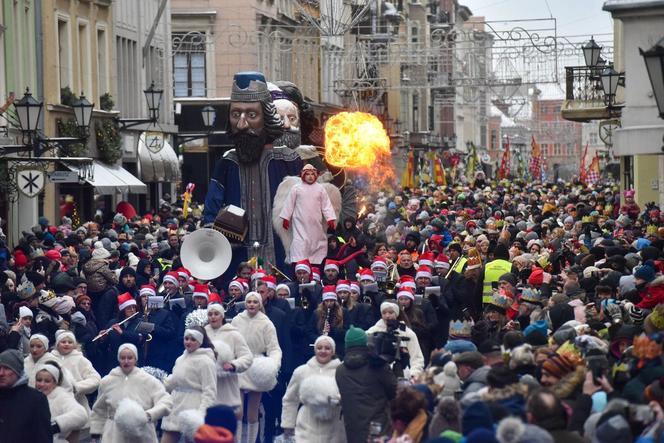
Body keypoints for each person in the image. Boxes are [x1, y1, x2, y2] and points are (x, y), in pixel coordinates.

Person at [202, 71, 303, 277]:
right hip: (236, 255)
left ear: (266, 117)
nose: (241, 124)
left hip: (282, 252)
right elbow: (211, 208)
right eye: (235, 114)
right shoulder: (228, 161)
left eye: (251, 115)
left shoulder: (289, 159)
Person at [90, 343, 173, 443]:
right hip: (114, 434)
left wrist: (149, 415)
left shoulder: (148, 380)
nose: (126, 361)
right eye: (122, 358)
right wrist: (96, 433)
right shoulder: (107, 381)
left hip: (142, 433)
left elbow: (166, 401)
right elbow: (99, 409)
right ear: (118, 359)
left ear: (135, 359)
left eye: (130, 358)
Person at [231, 291, 282, 443]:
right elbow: (230, 341)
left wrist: (273, 364)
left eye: (255, 302)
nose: (252, 304)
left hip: (256, 367)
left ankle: (252, 441)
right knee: (237, 411)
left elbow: (274, 348)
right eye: (249, 302)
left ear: (260, 304)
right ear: (245, 304)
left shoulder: (266, 323)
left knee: (253, 413)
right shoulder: (236, 320)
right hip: (240, 364)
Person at [336, 326, 397, 443]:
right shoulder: (379, 366)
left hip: (352, 430)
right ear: (366, 343)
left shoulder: (340, 371)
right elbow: (394, 392)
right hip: (378, 427)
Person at [281, 335, 346, 443]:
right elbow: (290, 399)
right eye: (319, 348)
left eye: (327, 348)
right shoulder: (302, 371)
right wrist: (288, 424)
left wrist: (338, 400)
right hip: (306, 426)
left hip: (333, 428)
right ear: (315, 349)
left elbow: (348, 397)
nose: (323, 351)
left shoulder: (340, 372)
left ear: (333, 351)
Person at [204, 302, 253, 440]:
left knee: (227, 429)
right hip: (207, 386)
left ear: (222, 316)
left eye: (216, 314)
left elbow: (247, 357)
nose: (213, 317)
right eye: (210, 314)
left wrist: (233, 365)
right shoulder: (202, 333)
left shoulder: (233, 334)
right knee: (208, 429)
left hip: (227, 386)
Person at [161, 326, 218, 443]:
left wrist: (202, 414)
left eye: (193, 339)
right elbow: (173, 381)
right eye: (186, 338)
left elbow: (210, 391)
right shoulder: (180, 358)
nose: (188, 342)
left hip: (194, 408)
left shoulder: (206, 362)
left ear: (200, 341)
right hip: (176, 407)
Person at [279, 163, 337, 266]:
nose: (310, 176)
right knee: (300, 243)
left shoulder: (320, 189)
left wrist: (330, 218)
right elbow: (289, 204)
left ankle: (316, 264)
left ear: (316, 175)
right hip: (300, 222)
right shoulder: (296, 188)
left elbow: (326, 205)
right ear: (303, 175)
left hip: (315, 223)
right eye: (307, 174)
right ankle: (299, 264)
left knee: (317, 242)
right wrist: (286, 218)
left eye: (312, 174)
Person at [0, 349, 52, 443]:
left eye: (7, 368)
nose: (1, 373)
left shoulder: (35, 400)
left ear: (17, 371)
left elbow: (43, 437)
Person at [51, 330, 101, 427]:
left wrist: (77, 387)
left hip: (77, 403)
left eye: (70, 342)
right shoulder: (50, 359)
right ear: (57, 344)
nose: (66, 344)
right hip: (54, 404)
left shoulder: (80, 359)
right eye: (63, 342)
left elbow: (95, 378)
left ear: (74, 345)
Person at [367, 301, 425, 378]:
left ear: (396, 313)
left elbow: (417, 358)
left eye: (390, 313)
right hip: (377, 377)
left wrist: (413, 375)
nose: (387, 316)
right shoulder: (372, 332)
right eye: (384, 313)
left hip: (402, 376)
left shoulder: (408, 334)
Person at [34, 360, 88, 443]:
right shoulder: (32, 396)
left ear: (55, 383)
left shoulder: (61, 396)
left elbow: (81, 414)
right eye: (39, 380)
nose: (42, 384)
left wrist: (56, 425)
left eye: (47, 381)